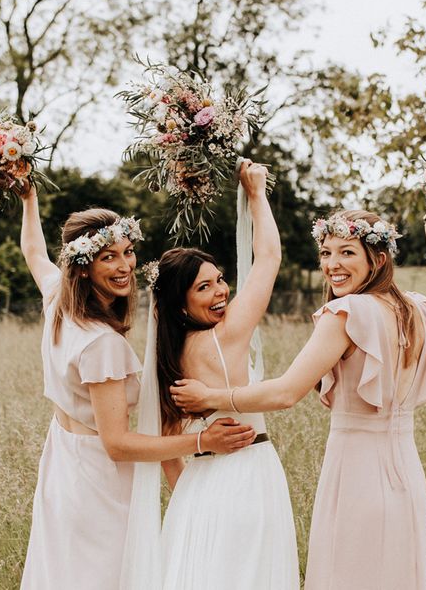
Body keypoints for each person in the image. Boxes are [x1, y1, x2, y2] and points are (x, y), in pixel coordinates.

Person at [171, 207, 426, 589]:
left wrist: (211, 396)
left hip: (356, 470)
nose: (332, 264)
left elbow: (285, 393)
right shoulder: (410, 309)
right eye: (327, 252)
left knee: (346, 573)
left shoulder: (346, 312)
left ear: (377, 259)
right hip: (406, 472)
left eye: (347, 252)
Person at [16, 185, 255, 590]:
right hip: (97, 479)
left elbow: (34, 253)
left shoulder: (58, 300)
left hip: (63, 463)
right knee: (101, 577)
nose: (125, 264)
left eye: (127, 251)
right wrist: (202, 443)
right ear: (83, 266)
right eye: (109, 257)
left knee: (63, 573)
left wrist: (29, 200)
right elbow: (118, 444)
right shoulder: (101, 345)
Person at [152, 161, 300, 589]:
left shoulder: (168, 357)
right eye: (204, 287)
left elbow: (166, 446)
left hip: (196, 487)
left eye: (219, 280)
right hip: (247, 475)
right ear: (181, 304)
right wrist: (257, 194)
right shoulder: (226, 334)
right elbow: (269, 257)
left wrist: (190, 496)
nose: (221, 292)